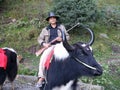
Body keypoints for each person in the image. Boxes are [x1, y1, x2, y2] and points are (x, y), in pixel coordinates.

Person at [36, 12, 70, 87]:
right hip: (50, 47)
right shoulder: (45, 29)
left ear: (56, 19)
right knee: (42, 58)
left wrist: (62, 39)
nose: (52, 19)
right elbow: (39, 39)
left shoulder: (61, 27)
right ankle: (41, 77)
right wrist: (44, 44)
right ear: (49, 20)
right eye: (51, 18)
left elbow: (67, 36)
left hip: (61, 46)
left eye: (54, 18)